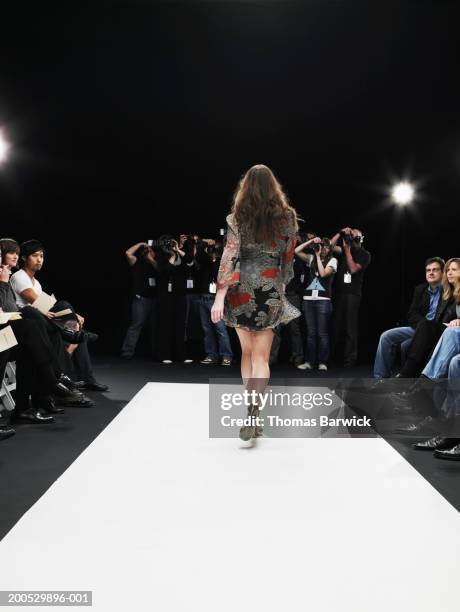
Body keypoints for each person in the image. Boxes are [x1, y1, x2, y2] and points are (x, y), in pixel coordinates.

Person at [211, 164, 301, 443]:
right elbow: (288, 259)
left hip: (241, 289)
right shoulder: (286, 217)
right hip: (270, 288)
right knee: (261, 357)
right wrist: (281, 286)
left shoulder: (238, 216)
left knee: (247, 354)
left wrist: (219, 296)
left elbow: (230, 256)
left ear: (246, 186)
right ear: (273, 186)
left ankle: (250, 410)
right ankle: (254, 414)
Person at [10, 240, 108, 392]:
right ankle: (72, 335)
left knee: (71, 320)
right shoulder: (19, 276)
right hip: (30, 323)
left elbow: (47, 302)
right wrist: (72, 317)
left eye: (41, 256)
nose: (39, 260)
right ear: (24, 258)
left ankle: (87, 377)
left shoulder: (36, 282)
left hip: (42, 319)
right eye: (35, 256)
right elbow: (36, 301)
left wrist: (73, 316)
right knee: (65, 310)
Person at [372, 257, 445, 382]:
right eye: (428, 270)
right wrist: (422, 325)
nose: (431, 273)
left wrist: (427, 326)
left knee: (406, 345)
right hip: (418, 327)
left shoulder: (448, 290)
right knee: (386, 336)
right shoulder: (420, 289)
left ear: (442, 272)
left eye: (435, 270)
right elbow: (412, 313)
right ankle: (380, 379)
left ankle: (406, 378)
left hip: (436, 330)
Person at [295, 236, 337, 371]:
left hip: (323, 301)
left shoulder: (333, 260)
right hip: (308, 300)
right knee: (311, 333)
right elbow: (297, 251)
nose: (323, 249)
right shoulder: (311, 258)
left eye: (326, 246)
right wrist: (311, 242)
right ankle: (309, 362)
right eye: (321, 246)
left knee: (322, 333)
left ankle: (322, 362)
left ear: (330, 248)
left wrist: (318, 257)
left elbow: (323, 273)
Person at [330, 227, 371, 367]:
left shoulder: (364, 254)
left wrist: (347, 250)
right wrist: (340, 233)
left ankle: (350, 359)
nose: (352, 238)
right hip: (339, 292)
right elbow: (329, 247)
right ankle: (330, 357)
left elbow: (353, 269)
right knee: (335, 326)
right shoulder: (342, 250)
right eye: (351, 236)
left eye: (356, 236)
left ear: (361, 238)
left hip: (353, 294)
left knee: (350, 328)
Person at [120, 242, 158, 359]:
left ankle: (156, 353)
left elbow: (159, 268)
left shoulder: (156, 264)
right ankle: (127, 352)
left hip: (155, 299)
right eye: (147, 251)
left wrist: (150, 258)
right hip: (140, 299)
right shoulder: (137, 262)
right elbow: (128, 253)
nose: (149, 252)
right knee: (136, 325)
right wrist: (141, 244)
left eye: (151, 250)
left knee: (156, 327)